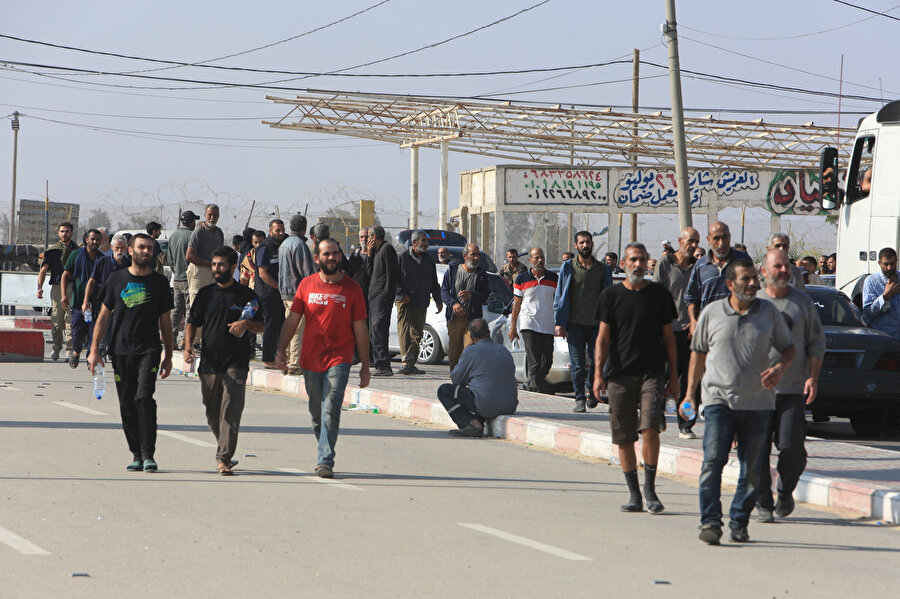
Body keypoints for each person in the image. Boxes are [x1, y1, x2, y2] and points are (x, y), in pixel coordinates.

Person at [684, 259, 794, 545]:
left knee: (753, 469)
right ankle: (710, 522)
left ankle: (739, 521)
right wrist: (688, 394)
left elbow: (788, 348)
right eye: (746, 279)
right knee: (712, 463)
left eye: (755, 279)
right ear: (730, 284)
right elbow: (697, 354)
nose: (753, 284)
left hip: (758, 404)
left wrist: (780, 369)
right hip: (719, 400)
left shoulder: (768, 312)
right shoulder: (712, 313)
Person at [275, 237, 370, 478]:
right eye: (326, 254)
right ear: (317, 258)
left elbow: (360, 328)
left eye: (335, 253)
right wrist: (281, 350)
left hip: (340, 357)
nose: (331, 258)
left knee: (331, 408)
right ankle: (323, 448)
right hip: (311, 358)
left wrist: (366, 366)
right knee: (317, 414)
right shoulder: (306, 285)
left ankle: (325, 460)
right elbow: (292, 321)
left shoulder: (352, 288)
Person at [595, 243, 679, 513]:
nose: (639, 265)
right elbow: (603, 338)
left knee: (651, 429)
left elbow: (669, 339)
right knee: (624, 437)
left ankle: (651, 489)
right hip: (619, 376)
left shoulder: (659, 295)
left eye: (643, 260)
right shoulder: (610, 296)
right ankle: (634, 495)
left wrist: (674, 378)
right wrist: (597, 374)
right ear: (624, 263)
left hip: (652, 374)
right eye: (633, 260)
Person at [87, 233, 174, 473]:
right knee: (126, 403)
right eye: (142, 247)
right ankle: (136, 454)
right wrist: (94, 350)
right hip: (120, 350)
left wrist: (169, 354)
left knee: (143, 398)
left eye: (150, 248)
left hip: (149, 350)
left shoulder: (159, 283)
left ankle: (149, 454)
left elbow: (166, 321)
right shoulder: (116, 280)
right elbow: (103, 317)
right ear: (131, 250)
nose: (146, 252)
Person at [756, 249, 825, 522]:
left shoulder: (803, 304)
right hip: (757, 394)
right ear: (764, 272)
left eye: (787, 266)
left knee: (792, 448)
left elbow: (816, 343)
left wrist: (813, 377)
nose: (784, 271)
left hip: (792, 390)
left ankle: (784, 492)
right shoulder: (753, 303)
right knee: (757, 450)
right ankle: (763, 502)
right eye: (777, 266)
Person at [184, 246, 264, 475]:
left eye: (221, 265)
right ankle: (225, 445)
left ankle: (224, 458)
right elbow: (192, 322)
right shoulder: (206, 294)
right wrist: (188, 346)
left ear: (232, 267)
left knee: (231, 409)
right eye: (214, 264)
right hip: (209, 361)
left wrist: (246, 325)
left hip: (236, 362)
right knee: (212, 411)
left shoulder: (247, 296)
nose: (216, 269)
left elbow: (261, 324)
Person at [554, 231, 612, 412]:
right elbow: (560, 294)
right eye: (581, 243)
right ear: (576, 246)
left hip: (597, 325)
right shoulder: (568, 267)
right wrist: (559, 321)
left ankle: (591, 389)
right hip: (575, 324)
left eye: (587, 242)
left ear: (592, 244)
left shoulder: (603, 269)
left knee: (597, 360)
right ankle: (579, 399)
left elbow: (609, 297)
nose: (585, 245)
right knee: (577, 364)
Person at [653, 226, 700, 439]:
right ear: (680, 241)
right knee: (663, 377)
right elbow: (656, 296)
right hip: (668, 331)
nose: (693, 245)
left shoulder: (698, 267)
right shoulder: (665, 264)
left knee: (691, 381)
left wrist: (695, 322)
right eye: (689, 241)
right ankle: (658, 413)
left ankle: (686, 423)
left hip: (691, 332)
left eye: (696, 242)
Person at [437, 319, 518, 437]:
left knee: (444, 390)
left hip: (487, 405)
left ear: (471, 335)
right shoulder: (503, 350)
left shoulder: (471, 351)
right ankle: (478, 420)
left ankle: (471, 424)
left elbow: (457, 380)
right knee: (483, 388)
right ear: (489, 332)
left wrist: (465, 355)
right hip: (510, 405)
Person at [684, 221, 752, 335]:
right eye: (716, 238)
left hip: (739, 329)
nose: (721, 243)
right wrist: (693, 321)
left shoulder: (744, 261)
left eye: (724, 237)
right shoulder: (701, 265)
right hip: (709, 330)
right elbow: (691, 297)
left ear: (730, 237)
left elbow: (754, 293)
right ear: (708, 239)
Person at [861, 247, 900, 436]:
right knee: (886, 385)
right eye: (886, 264)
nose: (890, 267)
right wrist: (886, 296)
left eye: (893, 263)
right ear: (879, 264)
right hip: (884, 341)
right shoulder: (872, 282)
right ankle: (883, 425)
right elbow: (866, 315)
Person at [508, 247, 558, 393]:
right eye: (536, 258)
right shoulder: (522, 279)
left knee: (547, 361)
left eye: (542, 257)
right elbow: (516, 304)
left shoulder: (553, 278)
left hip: (548, 324)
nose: (540, 260)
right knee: (534, 360)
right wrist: (513, 327)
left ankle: (533, 383)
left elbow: (559, 301)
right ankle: (538, 388)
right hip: (528, 323)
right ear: (530, 260)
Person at [395, 230, 442, 375]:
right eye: (423, 241)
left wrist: (438, 300)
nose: (426, 244)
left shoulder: (428, 260)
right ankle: (404, 361)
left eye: (426, 241)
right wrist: (402, 294)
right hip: (405, 300)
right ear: (414, 243)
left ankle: (411, 363)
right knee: (405, 331)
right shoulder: (402, 258)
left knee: (417, 333)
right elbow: (393, 280)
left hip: (421, 300)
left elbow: (434, 282)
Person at [441, 243, 490, 370]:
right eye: (473, 254)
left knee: (469, 349)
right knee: (454, 352)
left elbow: (485, 295)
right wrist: (454, 304)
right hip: (455, 318)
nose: (476, 258)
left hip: (472, 319)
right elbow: (444, 292)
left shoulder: (481, 274)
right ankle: (455, 377)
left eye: (478, 255)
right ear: (464, 256)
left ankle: (468, 376)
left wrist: (472, 295)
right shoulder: (453, 271)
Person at [82, 234, 132, 358]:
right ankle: (98, 358)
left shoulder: (130, 265)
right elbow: (92, 282)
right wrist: (86, 301)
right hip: (105, 304)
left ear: (126, 248)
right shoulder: (102, 262)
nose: (119, 251)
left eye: (122, 248)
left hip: (124, 306)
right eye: (117, 248)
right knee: (102, 333)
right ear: (111, 247)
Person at [277, 215, 315, 375]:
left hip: (285, 293)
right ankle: (294, 364)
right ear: (304, 228)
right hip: (297, 295)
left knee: (289, 329)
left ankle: (285, 362)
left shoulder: (284, 244)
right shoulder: (300, 245)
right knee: (298, 330)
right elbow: (307, 273)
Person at [61, 229, 102, 369]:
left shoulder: (102, 259)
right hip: (78, 301)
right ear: (86, 240)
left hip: (96, 302)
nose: (95, 242)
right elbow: (65, 275)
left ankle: (91, 357)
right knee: (77, 331)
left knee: (94, 332)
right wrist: (64, 295)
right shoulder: (76, 255)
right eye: (92, 239)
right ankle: (76, 352)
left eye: (97, 239)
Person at [37, 221, 78, 361]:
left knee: (70, 318)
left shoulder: (77, 251)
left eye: (67, 231)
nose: (64, 234)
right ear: (58, 233)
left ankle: (69, 349)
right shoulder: (52, 251)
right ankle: (56, 347)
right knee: (56, 319)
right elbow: (43, 270)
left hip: (72, 287)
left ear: (71, 233)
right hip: (56, 288)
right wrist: (40, 288)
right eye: (62, 231)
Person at [366, 224, 399, 376]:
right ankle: (379, 363)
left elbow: (392, 275)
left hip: (381, 297)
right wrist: (369, 255)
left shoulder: (387, 249)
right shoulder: (376, 251)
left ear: (374, 237)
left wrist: (386, 295)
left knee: (379, 330)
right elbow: (369, 272)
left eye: (369, 237)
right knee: (374, 332)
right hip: (373, 296)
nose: (367, 240)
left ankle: (383, 365)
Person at [255, 219, 286, 368]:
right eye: (277, 230)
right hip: (267, 293)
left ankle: (277, 355)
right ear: (270, 231)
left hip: (278, 293)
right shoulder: (265, 247)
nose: (280, 233)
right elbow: (262, 273)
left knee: (280, 324)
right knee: (270, 325)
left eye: (282, 230)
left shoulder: (282, 245)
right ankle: (268, 358)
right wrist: (278, 287)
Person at [167, 210, 199, 348]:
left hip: (177, 279)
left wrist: (176, 271)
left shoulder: (173, 236)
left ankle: (171, 339)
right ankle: (185, 341)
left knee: (175, 310)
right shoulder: (192, 236)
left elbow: (170, 259)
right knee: (189, 310)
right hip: (189, 279)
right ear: (191, 222)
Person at [185, 204, 224, 309]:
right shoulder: (199, 232)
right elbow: (189, 256)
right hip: (199, 271)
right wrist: (209, 264)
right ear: (205, 215)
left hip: (213, 273)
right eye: (209, 215)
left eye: (215, 215)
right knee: (197, 306)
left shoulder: (219, 232)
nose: (212, 218)